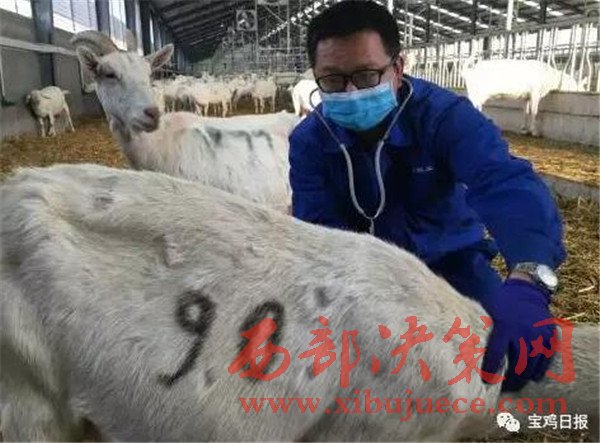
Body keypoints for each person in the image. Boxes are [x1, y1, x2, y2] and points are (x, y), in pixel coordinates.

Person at [288, 0, 566, 392]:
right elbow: (318, 230)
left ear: (398, 68)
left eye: (366, 75)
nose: (350, 92)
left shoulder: (444, 117)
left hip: (451, 263)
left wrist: (529, 276)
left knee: (501, 363)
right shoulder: (310, 141)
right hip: (356, 272)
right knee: (333, 372)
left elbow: (504, 183)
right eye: (332, 80)